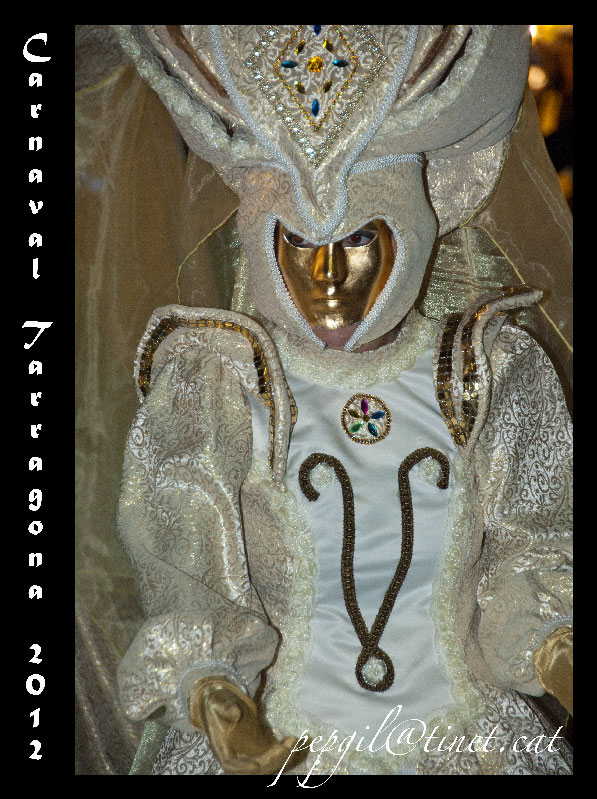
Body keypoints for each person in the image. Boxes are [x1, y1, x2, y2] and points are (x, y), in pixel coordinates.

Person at [114, 25, 572, 775]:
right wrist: (217, 695)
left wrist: (558, 649)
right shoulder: (220, 385)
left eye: (359, 238)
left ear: (412, 224)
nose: (325, 276)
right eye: (297, 243)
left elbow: (533, 551)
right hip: (282, 746)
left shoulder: (485, 371)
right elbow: (187, 572)